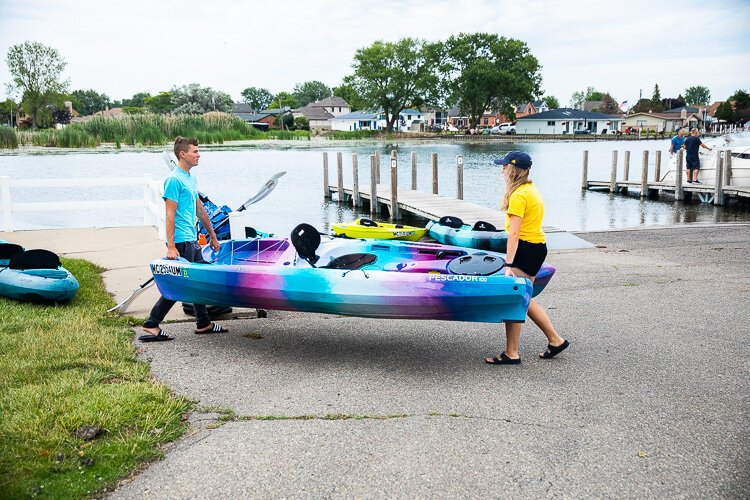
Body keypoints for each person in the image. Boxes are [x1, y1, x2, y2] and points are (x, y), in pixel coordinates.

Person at [140, 137, 228, 342]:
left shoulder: (190, 178)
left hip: (192, 239)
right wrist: (171, 246)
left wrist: (213, 236)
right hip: (180, 241)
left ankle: (203, 322)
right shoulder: (174, 180)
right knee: (180, 284)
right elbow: (169, 215)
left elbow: (200, 210)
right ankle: (151, 324)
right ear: (183, 154)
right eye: (195, 151)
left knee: (196, 282)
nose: (199, 155)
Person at [485, 151, 568, 365]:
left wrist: (509, 264)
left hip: (526, 249)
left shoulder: (519, 195)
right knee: (522, 298)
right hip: (536, 246)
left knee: (517, 298)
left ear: (513, 169)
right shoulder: (530, 189)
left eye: (504, 166)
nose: (502, 169)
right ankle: (553, 340)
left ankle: (514, 352)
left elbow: (514, 234)